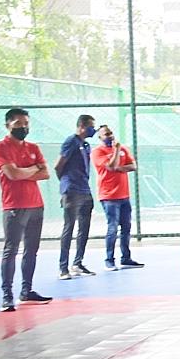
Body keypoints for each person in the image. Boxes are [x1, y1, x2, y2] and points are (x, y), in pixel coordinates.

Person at [0, 107, 53, 313]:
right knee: (11, 251)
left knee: (31, 250)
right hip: (14, 206)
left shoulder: (33, 147)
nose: (23, 127)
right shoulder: (0, 148)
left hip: (36, 205)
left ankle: (27, 290)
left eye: (26, 124)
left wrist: (24, 171)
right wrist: (33, 169)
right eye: (18, 124)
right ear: (8, 125)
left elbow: (46, 173)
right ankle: (7, 296)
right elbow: (12, 175)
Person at [91, 124, 144, 270]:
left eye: (111, 133)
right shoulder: (97, 152)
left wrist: (120, 168)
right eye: (106, 134)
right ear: (100, 137)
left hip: (124, 195)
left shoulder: (124, 149)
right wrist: (117, 151)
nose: (110, 136)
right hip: (108, 196)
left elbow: (133, 166)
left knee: (126, 227)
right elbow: (111, 166)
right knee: (112, 228)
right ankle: (109, 259)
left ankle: (126, 258)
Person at [55, 114, 98, 280]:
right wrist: (66, 184)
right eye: (90, 126)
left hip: (85, 190)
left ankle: (78, 263)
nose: (92, 130)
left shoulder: (86, 145)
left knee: (84, 228)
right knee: (69, 227)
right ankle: (63, 267)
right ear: (82, 126)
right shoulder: (71, 142)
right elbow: (59, 165)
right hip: (71, 190)